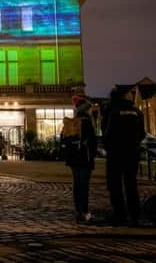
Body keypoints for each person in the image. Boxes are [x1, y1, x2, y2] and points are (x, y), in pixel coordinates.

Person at [102, 89, 145, 225]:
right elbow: (142, 133)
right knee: (131, 182)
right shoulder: (137, 112)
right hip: (132, 152)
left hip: (116, 152)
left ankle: (120, 213)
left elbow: (106, 132)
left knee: (114, 183)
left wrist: (108, 146)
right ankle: (135, 213)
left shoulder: (111, 111)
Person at [61, 95, 97, 222]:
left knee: (76, 183)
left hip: (73, 158)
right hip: (85, 157)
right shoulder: (87, 121)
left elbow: (63, 139)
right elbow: (93, 141)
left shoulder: (72, 122)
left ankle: (78, 210)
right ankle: (85, 210)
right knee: (84, 185)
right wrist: (92, 155)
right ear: (86, 109)